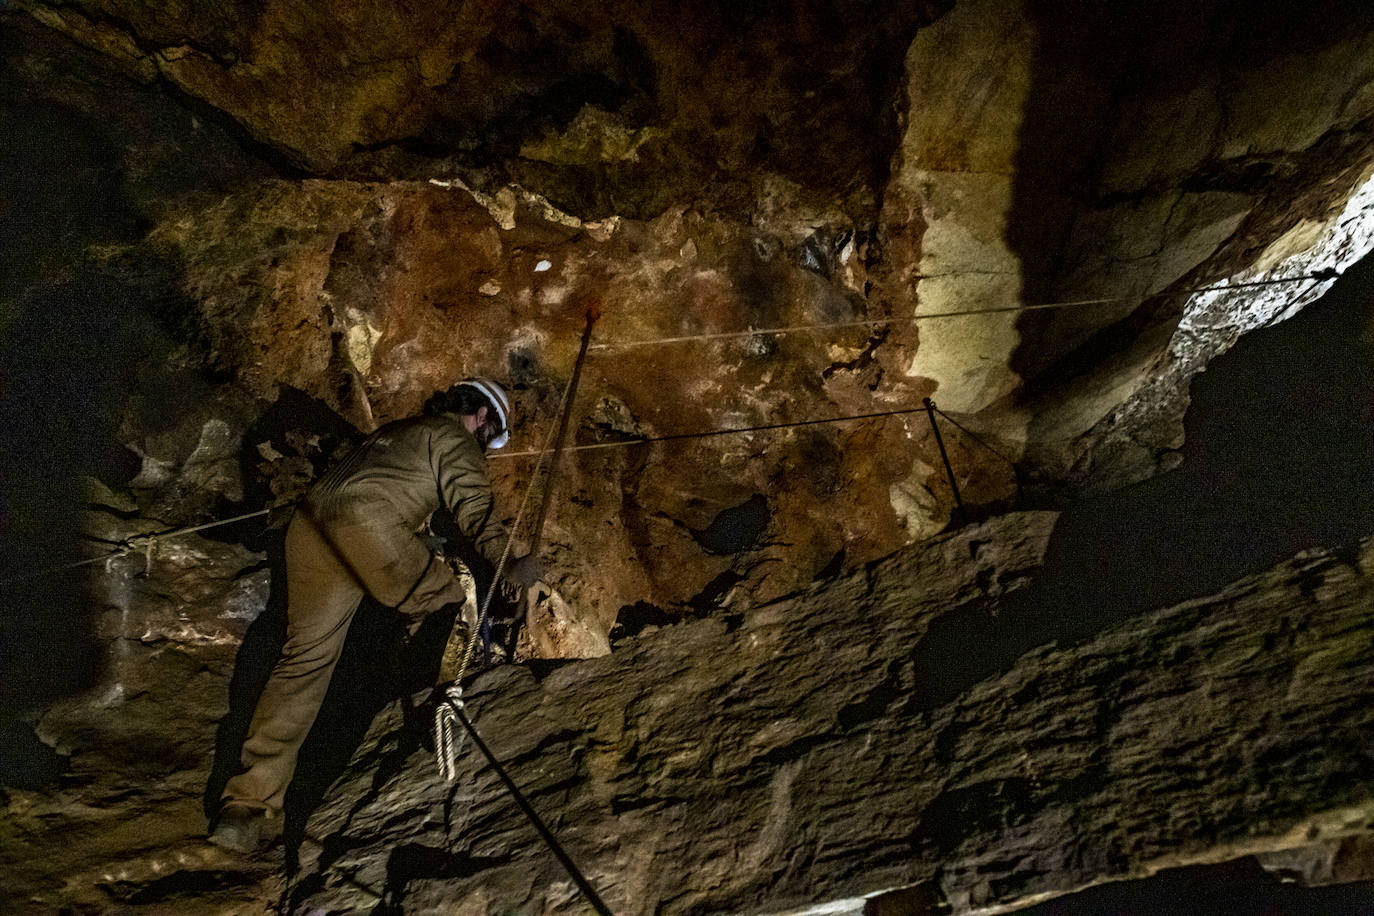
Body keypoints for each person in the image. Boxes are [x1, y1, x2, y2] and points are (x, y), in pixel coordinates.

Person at [210, 377, 537, 852]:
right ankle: (436, 710)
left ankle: (244, 807)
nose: (485, 447)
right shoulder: (455, 439)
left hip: (309, 528)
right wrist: (510, 561)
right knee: (450, 598)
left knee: (303, 663)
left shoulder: (401, 430)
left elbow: (378, 493)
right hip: (368, 526)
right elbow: (475, 509)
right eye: (489, 436)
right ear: (483, 417)